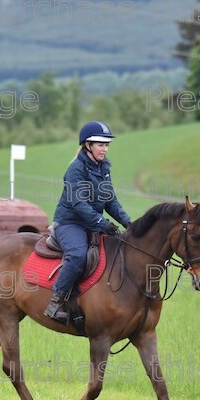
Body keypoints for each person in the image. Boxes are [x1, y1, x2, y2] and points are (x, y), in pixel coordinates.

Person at [44, 121, 132, 323]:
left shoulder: (104, 168)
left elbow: (110, 200)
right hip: (70, 223)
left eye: (107, 144)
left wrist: (128, 223)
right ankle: (56, 300)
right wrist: (103, 223)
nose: (105, 149)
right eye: (100, 144)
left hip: (92, 223)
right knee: (77, 255)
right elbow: (78, 204)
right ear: (87, 145)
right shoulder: (76, 169)